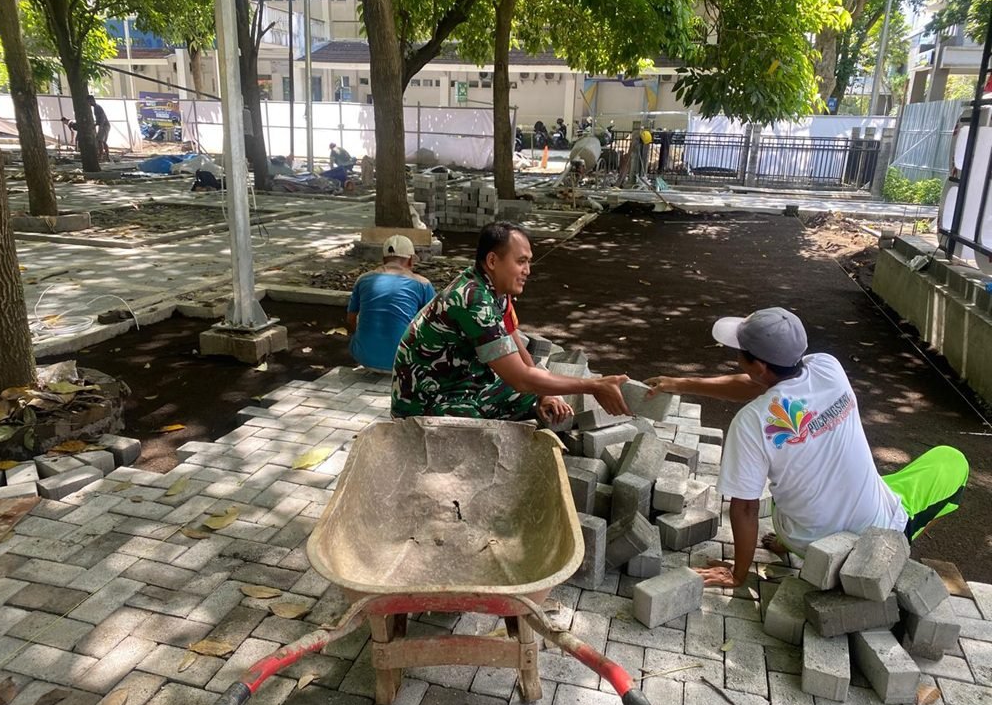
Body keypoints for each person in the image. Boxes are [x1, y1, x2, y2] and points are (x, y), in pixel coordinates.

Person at [647, 308, 969, 589]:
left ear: (758, 366)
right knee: (952, 460)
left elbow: (744, 509)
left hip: (808, 540)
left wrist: (738, 573)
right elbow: (763, 385)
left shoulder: (750, 423)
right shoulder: (828, 367)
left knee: (795, 484)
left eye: (740, 351)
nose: (736, 354)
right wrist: (678, 383)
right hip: (869, 526)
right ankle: (897, 539)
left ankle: (896, 552)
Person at [391, 221, 630, 423]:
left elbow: (516, 345)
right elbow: (520, 378)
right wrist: (594, 385)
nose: (528, 270)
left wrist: (542, 394)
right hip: (425, 401)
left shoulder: (495, 290)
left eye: (528, 262)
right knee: (485, 421)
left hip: (461, 382)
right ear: (493, 261)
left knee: (531, 394)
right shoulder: (473, 300)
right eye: (521, 261)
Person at [346, 235, 436, 373]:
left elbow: (351, 320)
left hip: (364, 358)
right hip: (404, 362)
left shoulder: (363, 279)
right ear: (411, 260)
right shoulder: (422, 284)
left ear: (383, 259)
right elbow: (435, 325)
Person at [87, 96, 110, 162]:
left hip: (105, 125)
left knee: (100, 141)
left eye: (88, 101)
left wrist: (101, 127)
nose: (88, 103)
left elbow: (102, 118)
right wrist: (96, 124)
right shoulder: (95, 108)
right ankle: (106, 156)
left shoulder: (97, 107)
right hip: (103, 125)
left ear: (91, 100)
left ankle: (101, 156)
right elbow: (98, 119)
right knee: (102, 141)